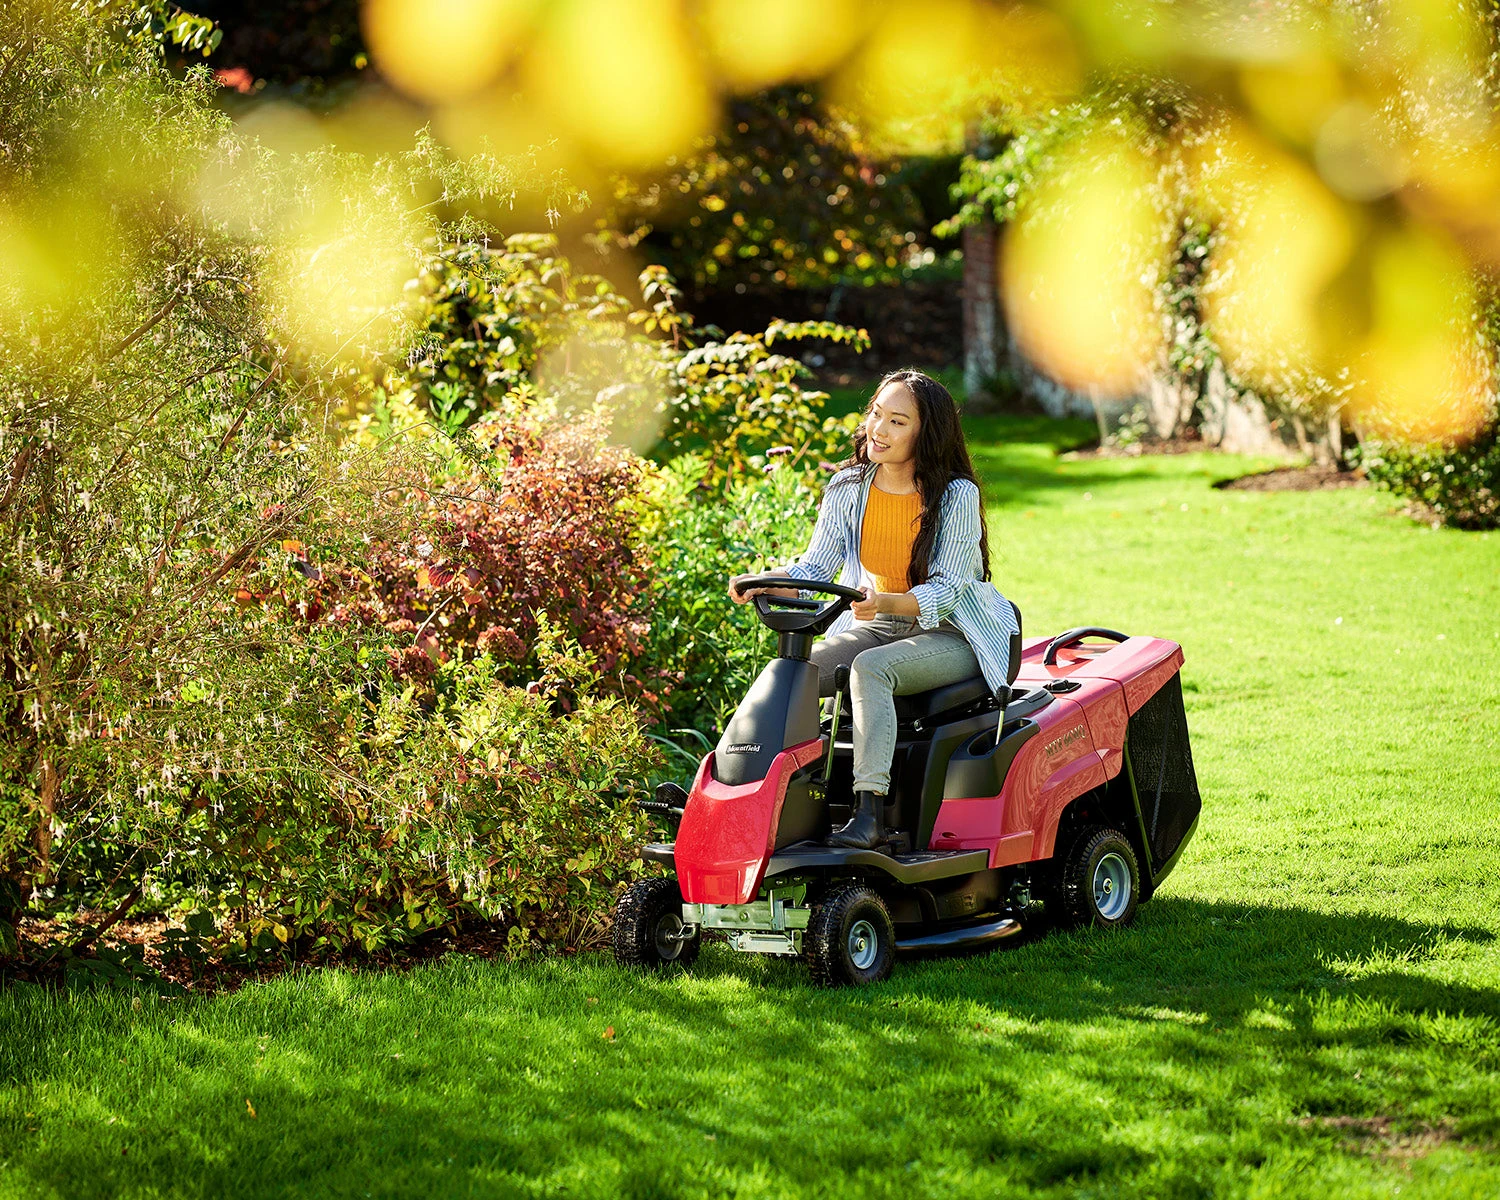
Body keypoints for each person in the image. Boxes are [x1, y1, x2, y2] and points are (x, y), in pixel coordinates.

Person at [729, 369, 1018, 850]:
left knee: (869, 669)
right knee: (790, 673)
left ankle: (870, 816)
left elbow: (947, 590)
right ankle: (742, 788)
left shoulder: (955, 495)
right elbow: (816, 566)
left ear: (927, 433)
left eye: (898, 422)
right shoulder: (848, 487)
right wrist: (768, 583)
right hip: (880, 621)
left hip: (953, 632)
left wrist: (885, 600)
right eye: (876, 415)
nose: (878, 431)